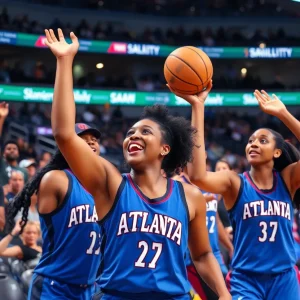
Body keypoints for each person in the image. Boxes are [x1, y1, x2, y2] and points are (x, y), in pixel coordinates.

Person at [45, 28, 231, 300]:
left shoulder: (190, 196)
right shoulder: (111, 184)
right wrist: (64, 62)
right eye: (131, 132)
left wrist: (224, 296)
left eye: (145, 132)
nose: (134, 135)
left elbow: (202, 255)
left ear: (165, 149)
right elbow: (63, 134)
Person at [169, 84, 300, 300]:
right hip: (246, 279)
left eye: (262, 140)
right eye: (250, 141)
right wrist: (198, 106)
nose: (253, 144)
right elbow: (198, 176)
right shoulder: (235, 183)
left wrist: (283, 114)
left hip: (283, 278)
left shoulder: (287, 179)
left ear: (277, 152)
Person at [7, 123, 102, 300]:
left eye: (94, 140)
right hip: (55, 286)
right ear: (67, 145)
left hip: (88, 288)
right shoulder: (56, 179)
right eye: (83, 139)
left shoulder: (101, 189)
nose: (91, 143)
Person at [173, 169, 233, 300]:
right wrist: (196, 205)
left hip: (214, 255)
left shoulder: (210, 183)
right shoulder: (177, 184)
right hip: (193, 259)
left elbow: (216, 221)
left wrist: (230, 247)